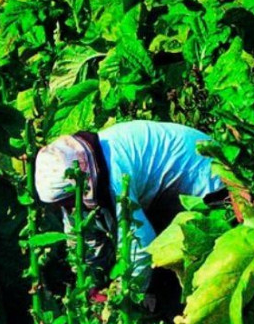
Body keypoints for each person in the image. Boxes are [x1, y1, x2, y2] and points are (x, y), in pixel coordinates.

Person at [34, 120, 225, 303]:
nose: (66, 209)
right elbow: (81, 236)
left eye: (65, 203)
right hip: (167, 190)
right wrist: (89, 283)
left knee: (202, 257)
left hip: (205, 174)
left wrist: (122, 297)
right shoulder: (80, 172)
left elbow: (140, 245)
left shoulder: (116, 180)